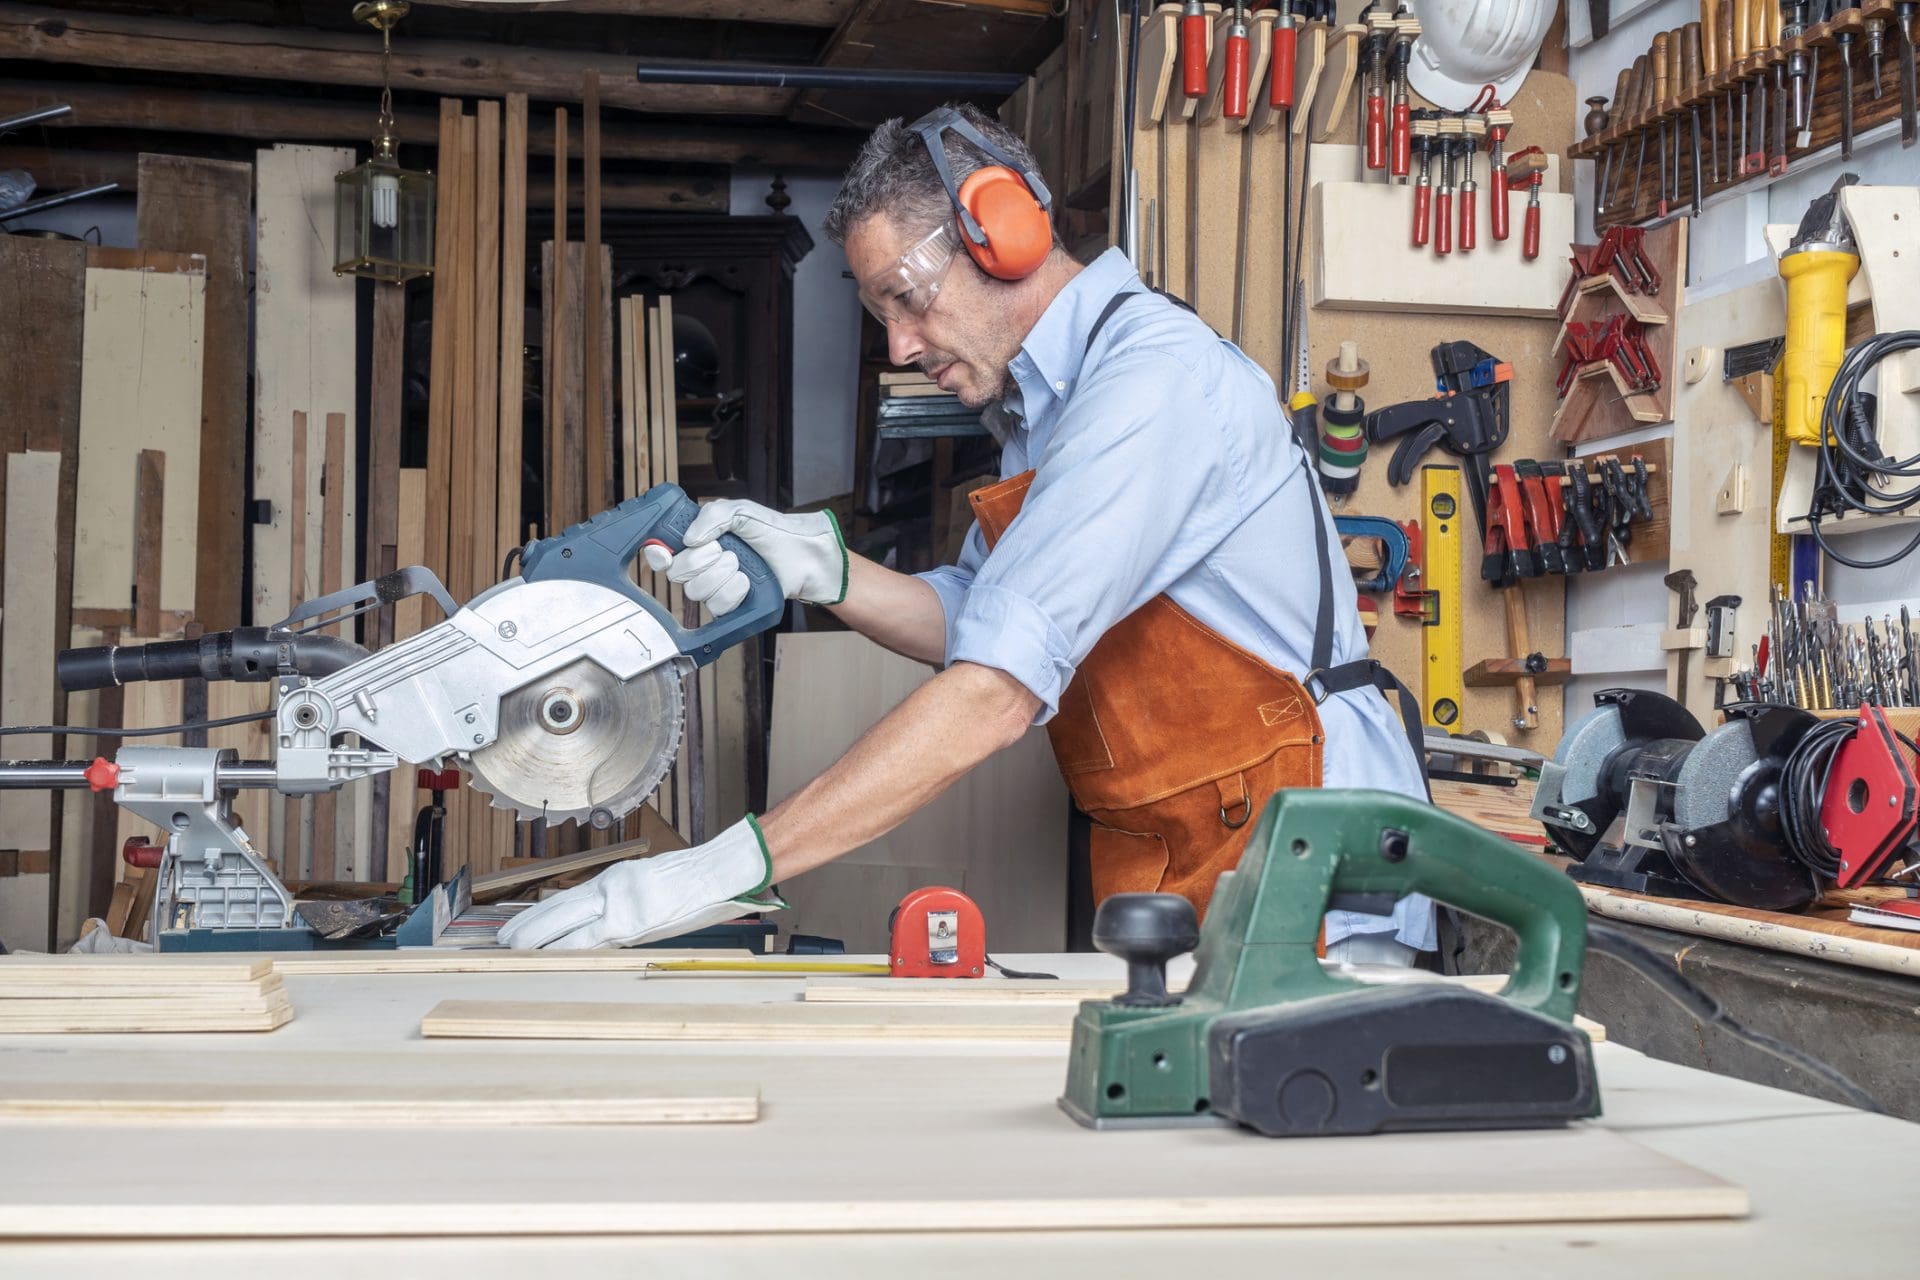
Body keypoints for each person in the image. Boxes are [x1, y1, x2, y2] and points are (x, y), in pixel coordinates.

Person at [498, 104, 1434, 962]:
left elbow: (995, 689)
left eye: (906, 296)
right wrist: (824, 571)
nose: (899, 346)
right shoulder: (1040, 413)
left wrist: (716, 870)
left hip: (1310, 844)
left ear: (1007, 231)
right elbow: (980, 619)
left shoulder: (1151, 385)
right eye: (879, 314)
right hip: (1194, 838)